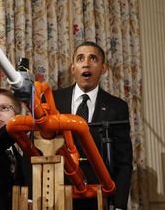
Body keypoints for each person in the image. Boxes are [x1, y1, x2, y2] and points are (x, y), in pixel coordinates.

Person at [53, 41, 133, 210]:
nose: (86, 63)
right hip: (57, 194)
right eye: (80, 59)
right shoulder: (52, 100)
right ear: (73, 68)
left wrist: (119, 205)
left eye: (93, 59)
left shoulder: (117, 107)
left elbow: (124, 162)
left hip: (99, 195)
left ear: (103, 68)